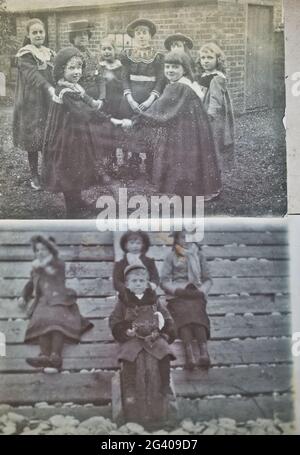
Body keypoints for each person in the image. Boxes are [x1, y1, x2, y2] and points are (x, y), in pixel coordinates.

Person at [122, 50, 221, 200]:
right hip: (192, 128)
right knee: (190, 157)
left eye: (175, 67)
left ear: (184, 69)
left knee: (183, 156)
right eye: (167, 67)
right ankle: (198, 187)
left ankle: (187, 188)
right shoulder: (185, 84)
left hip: (186, 128)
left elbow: (159, 109)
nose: (170, 70)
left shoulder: (178, 87)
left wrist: (136, 120)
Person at [41, 47, 116, 218]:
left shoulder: (74, 86)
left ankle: (78, 200)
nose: (77, 72)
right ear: (61, 71)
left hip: (75, 134)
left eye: (79, 67)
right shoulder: (65, 91)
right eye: (71, 68)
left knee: (77, 166)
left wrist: (100, 110)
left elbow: (87, 101)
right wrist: (104, 117)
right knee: (68, 168)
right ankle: (72, 209)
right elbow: (83, 112)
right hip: (65, 138)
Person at [109, 263, 176, 424]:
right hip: (134, 339)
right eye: (134, 281)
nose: (138, 284)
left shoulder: (154, 301)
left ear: (147, 283)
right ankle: (130, 389)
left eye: (141, 281)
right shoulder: (123, 302)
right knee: (128, 358)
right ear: (127, 284)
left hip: (153, 338)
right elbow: (114, 320)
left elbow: (167, 318)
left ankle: (165, 385)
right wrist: (125, 331)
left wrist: (165, 332)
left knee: (165, 353)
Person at [18, 235, 93, 370]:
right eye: (37, 250)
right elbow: (30, 284)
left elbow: (53, 270)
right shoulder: (35, 269)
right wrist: (24, 296)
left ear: (51, 251)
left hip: (59, 300)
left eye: (44, 250)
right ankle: (44, 356)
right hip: (43, 303)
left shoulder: (57, 264)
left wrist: (46, 261)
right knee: (41, 322)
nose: (40, 253)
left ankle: (55, 355)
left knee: (56, 322)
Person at [13, 18, 56, 190]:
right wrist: (49, 88)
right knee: (33, 137)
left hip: (48, 101)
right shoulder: (25, 54)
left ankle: (48, 172)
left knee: (49, 135)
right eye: (34, 32)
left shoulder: (49, 52)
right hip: (32, 102)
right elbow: (32, 76)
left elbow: (55, 72)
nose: (38, 35)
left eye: (41, 32)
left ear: (45, 33)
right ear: (28, 35)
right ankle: (34, 174)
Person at [120, 18, 166, 177]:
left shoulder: (159, 57)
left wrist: (151, 100)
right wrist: (130, 98)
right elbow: (124, 77)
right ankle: (133, 161)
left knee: (149, 130)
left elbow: (161, 80)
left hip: (150, 100)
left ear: (150, 36)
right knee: (133, 129)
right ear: (134, 36)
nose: (141, 36)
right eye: (138, 33)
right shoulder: (127, 55)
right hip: (131, 99)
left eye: (144, 33)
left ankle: (150, 163)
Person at [160, 230, 212, 369]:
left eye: (190, 236)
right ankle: (189, 355)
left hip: (195, 293)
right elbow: (164, 281)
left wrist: (201, 292)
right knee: (184, 317)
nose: (187, 240)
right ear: (176, 239)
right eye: (183, 237)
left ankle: (204, 352)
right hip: (178, 295)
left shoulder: (199, 255)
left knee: (197, 315)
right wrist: (176, 290)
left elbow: (207, 279)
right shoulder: (171, 256)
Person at [196, 42, 235, 171]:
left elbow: (215, 99)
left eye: (209, 58)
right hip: (201, 111)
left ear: (217, 59)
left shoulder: (217, 78)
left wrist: (210, 114)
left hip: (212, 116)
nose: (205, 61)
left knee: (213, 141)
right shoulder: (202, 76)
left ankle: (213, 170)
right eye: (203, 58)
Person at [98, 37, 124, 177]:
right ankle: (107, 163)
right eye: (104, 49)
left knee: (117, 134)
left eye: (110, 49)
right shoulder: (100, 66)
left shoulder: (120, 66)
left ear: (115, 50)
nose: (107, 52)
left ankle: (119, 162)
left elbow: (122, 83)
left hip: (118, 104)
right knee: (106, 134)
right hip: (106, 104)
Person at [113, 230, 160, 298]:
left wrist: (149, 286)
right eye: (132, 243)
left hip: (146, 294)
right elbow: (117, 281)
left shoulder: (149, 262)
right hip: (127, 295)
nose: (135, 246)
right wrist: (127, 289)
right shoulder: (120, 264)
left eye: (138, 243)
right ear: (125, 245)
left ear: (143, 245)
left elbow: (155, 278)